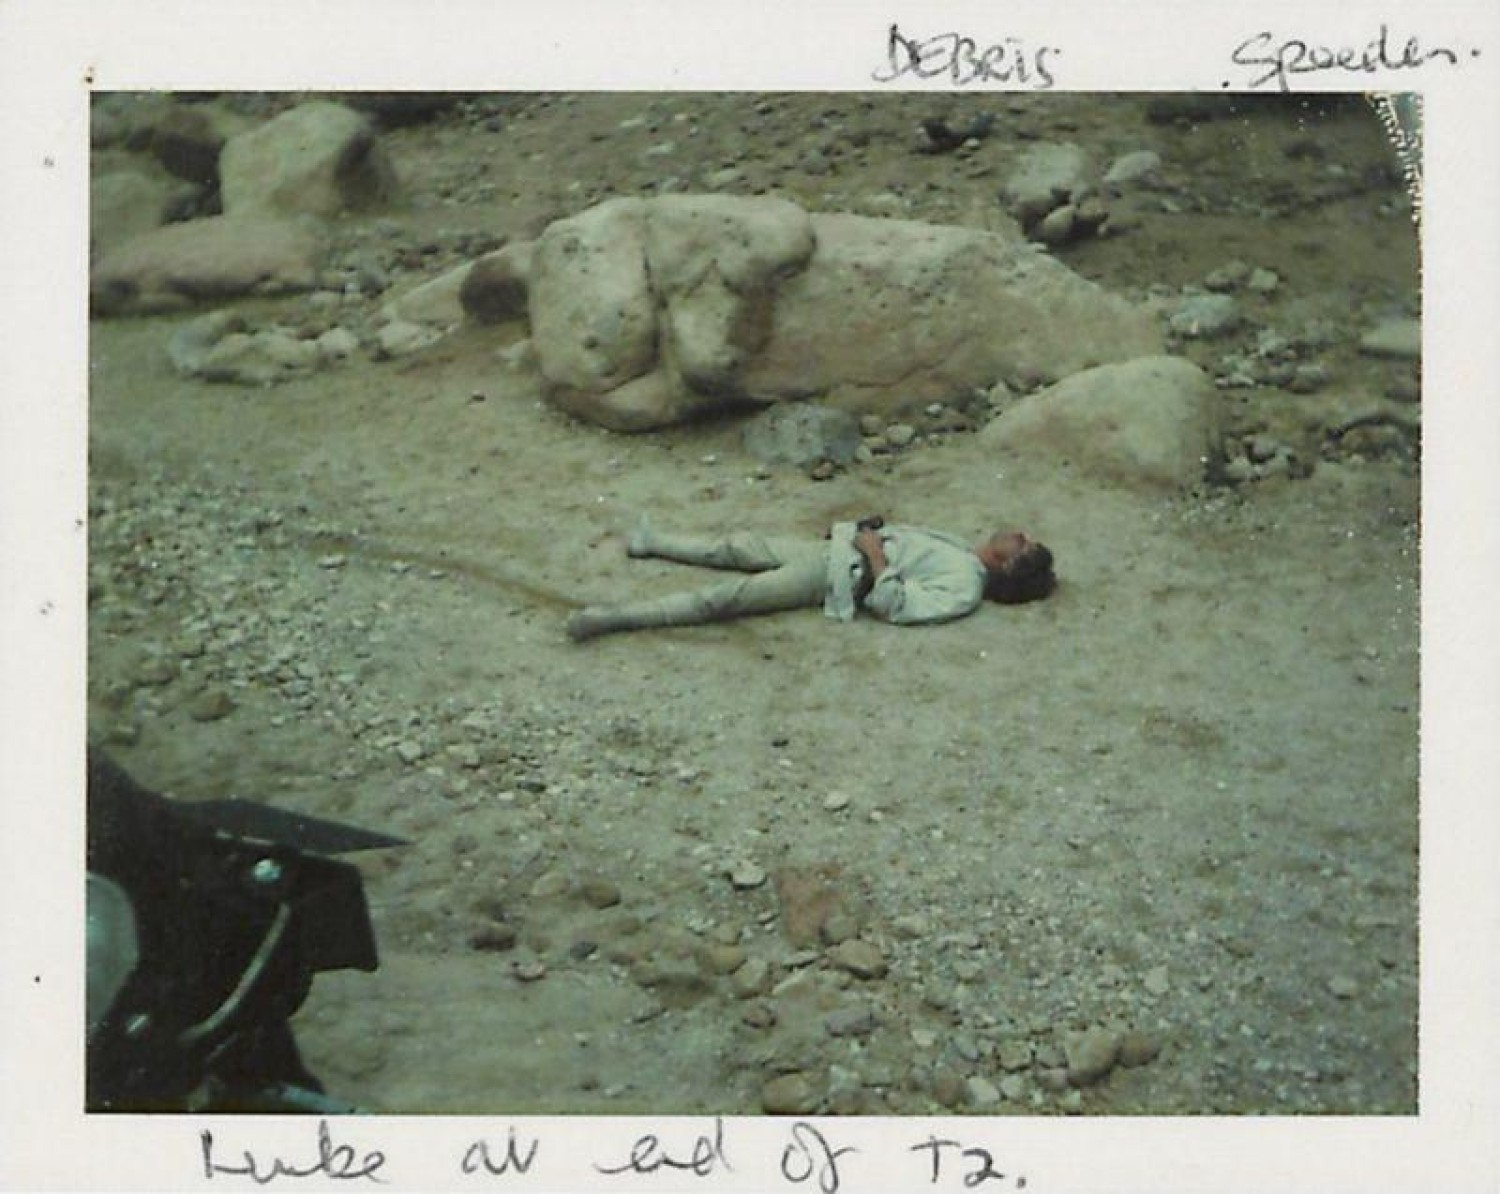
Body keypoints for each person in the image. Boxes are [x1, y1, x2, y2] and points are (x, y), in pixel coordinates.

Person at [565, 515, 1055, 641]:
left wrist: (873, 554)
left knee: (727, 598)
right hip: (836, 550)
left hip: (839, 574)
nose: (1018, 534)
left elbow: (897, 606)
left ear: (1008, 566)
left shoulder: (965, 588)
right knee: (738, 545)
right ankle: (654, 541)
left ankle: (615, 618)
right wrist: (866, 532)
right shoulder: (960, 549)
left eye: (1024, 545)